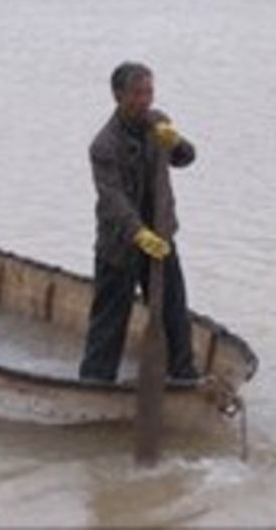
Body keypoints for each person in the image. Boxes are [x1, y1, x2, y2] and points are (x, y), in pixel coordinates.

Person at [78, 61, 200, 384]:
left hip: (161, 237)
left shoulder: (158, 123)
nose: (144, 100)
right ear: (118, 96)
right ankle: (94, 383)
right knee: (109, 321)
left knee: (174, 312)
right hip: (120, 243)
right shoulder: (104, 145)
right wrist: (139, 234)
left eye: (149, 92)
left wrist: (176, 142)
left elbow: (186, 159)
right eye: (137, 93)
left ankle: (183, 377)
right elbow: (113, 199)